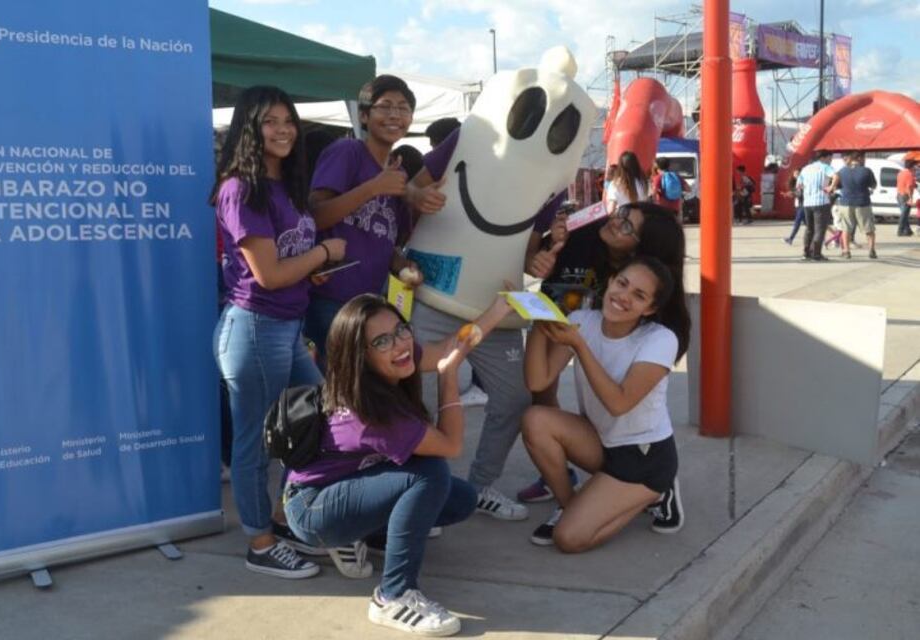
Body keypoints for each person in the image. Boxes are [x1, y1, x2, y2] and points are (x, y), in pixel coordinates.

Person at [283, 292, 513, 636]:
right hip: (313, 509)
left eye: (402, 329)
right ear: (361, 356)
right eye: (383, 340)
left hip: (345, 485)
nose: (400, 344)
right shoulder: (371, 412)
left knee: (459, 497)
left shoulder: (390, 363)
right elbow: (450, 445)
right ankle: (392, 596)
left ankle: (369, 534)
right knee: (429, 474)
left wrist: (500, 307)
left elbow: (454, 345)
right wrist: (449, 378)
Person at [211, 85, 348, 579]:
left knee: (318, 420)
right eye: (270, 121)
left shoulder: (284, 187)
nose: (283, 128)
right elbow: (267, 276)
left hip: (285, 328)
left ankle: (279, 516)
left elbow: (283, 263)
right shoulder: (239, 189)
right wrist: (323, 254)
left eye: (288, 118)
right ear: (250, 127)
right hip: (253, 328)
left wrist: (310, 268)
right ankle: (259, 542)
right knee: (254, 442)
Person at [405, 128, 568, 522]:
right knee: (418, 398)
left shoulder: (552, 177)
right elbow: (413, 188)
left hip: (499, 305)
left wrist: (538, 261)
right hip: (436, 293)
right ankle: (419, 491)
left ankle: (480, 486)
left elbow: (528, 250)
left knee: (513, 398)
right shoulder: (473, 135)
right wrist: (416, 197)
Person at [517, 203, 687, 533]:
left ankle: (652, 493)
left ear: (651, 306)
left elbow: (619, 403)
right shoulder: (585, 314)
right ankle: (571, 505)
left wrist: (580, 344)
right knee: (536, 418)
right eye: (621, 284)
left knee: (570, 539)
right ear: (611, 280)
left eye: (638, 294)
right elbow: (538, 380)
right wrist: (541, 312)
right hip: (600, 440)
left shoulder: (660, 336)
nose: (615, 222)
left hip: (641, 454)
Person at [305, 75, 422, 367]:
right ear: (364, 115)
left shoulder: (395, 173)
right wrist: (373, 187)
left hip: (370, 304)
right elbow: (316, 216)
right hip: (331, 300)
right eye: (385, 106)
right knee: (341, 390)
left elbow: (381, 240)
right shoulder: (348, 152)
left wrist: (402, 266)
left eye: (404, 108)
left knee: (362, 389)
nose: (395, 114)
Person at [829, 151, 878, 259]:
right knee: (869, 229)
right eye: (864, 158)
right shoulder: (866, 171)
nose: (865, 160)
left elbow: (837, 186)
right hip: (863, 203)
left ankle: (846, 251)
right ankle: (871, 251)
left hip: (845, 203)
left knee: (846, 229)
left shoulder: (842, 171)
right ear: (860, 158)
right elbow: (873, 185)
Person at [796, 149, 835, 261]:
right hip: (821, 202)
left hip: (807, 203)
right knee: (820, 229)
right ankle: (816, 254)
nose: (830, 161)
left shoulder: (805, 168)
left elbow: (799, 185)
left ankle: (806, 252)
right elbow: (836, 176)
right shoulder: (825, 167)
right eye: (829, 158)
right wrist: (831, 187)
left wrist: (807, 190)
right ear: (823, 158)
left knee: (809, 229)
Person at [782, 168, 805, 245]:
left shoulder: (802, 182)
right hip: (799, 204)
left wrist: (792, 193)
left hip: (803, 205)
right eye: (795, 174)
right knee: (809, 223)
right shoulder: (795, 183)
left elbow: (799, 193)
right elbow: (797, 193)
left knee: (797, 222)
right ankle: (835, 235)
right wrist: (790, 193)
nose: (797, 175)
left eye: (798, 174)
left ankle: (790, 238)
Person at [896, 159, 917, 237]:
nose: (916, 167)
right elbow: (908, 187)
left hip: (899, 195)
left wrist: (914, 184)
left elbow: (904, 183)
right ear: (911, 166)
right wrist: (910, 198)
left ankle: (908, 230)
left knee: (904, 214)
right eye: (915, 165)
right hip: (905, 195)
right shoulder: (910, 174)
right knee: (904, 215)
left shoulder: (900, 173)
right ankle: (900, 230)